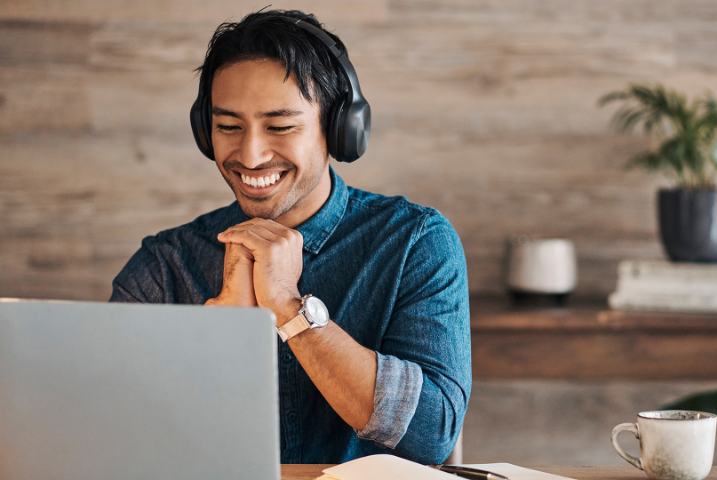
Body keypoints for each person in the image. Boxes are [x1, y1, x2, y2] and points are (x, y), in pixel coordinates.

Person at [109, 9, 471, 464]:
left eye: (280, 127)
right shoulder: (164, 266)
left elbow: (430, 435)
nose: (251, 154)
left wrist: (288, 308)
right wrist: (221, 342)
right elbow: (118, 439)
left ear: (341, 130)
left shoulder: (413, 242)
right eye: (227, 127)